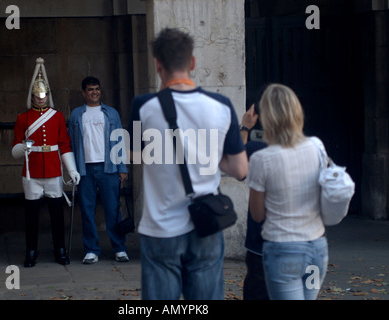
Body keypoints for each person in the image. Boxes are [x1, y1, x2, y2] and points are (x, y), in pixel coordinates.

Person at [127, 28, 248, 300]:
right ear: (192, 63)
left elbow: (135, 156)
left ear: (158, 64)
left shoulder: (143, 106)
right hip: (205, 224)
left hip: (160, 229)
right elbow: (240, 170)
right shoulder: (221, 105)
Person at [247, 83, 329, 300]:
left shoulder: (261, 158)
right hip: (317, 248)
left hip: (284, 250)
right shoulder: (316, 146)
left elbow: (257, 214)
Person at [12, 57, 80, 268]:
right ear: (33, 96)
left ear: (48, 96)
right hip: (32, 173)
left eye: (44, 96)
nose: (41, 99)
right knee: (31, 216)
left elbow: (64, 144)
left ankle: (59, 248)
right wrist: (23, 147)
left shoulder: (57, 116)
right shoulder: (23, 118)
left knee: (57, 214)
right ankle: (31, 250)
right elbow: (14, 150)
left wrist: (72, 169)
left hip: (53, 171)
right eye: (38, 96)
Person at [68, 76, 129, 264]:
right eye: (90, 89)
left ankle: (119, 248)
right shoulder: (77, 115)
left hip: (108, 167)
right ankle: (91, 249)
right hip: (85, 168)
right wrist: (72, 170)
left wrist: (122, 167)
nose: (94, 92)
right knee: (87, 210)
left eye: (97, 89)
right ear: (83, 93)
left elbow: (119, 141)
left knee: (113, 209)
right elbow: (71, 143)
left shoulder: (111, 113)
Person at [240, 103, 269, 300]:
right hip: (303, 244)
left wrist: (244, 128)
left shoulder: (258, 151)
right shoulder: (312, 148)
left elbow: (238, 167)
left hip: (262, 243)